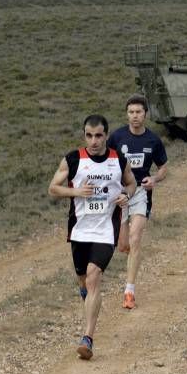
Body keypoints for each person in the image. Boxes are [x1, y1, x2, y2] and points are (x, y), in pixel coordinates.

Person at [48, 114, 136, 360]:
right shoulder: (74, 159)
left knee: (94, 276)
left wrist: (126, 196)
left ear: (106, 135)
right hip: (79, 230)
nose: (94, 140)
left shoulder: (118, 160)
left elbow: (131, 183)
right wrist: (76, 191)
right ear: (84, 135)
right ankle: (89, 301)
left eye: (98, 135)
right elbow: (52, 188)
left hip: (106, 230)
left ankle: (87, 338)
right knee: (83, 280)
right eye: (89, 135)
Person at [107, 94, 168, 309]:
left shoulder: (153, 140)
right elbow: (106, 160)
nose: (135, 116)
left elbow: (163, 167)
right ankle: (127, 251)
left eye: (139, 112)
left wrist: (155, 178)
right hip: (121, 194)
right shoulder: (116, 138)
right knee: (123, 244)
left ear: (145, 114)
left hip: (141, 192)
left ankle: (129, 291)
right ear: (127, 114)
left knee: (135, 239)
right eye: (131, 112)